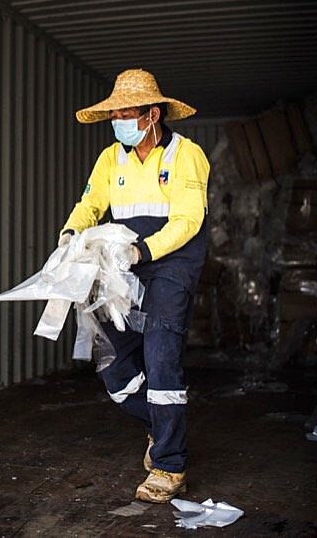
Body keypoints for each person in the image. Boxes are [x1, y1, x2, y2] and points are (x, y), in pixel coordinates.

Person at [58, 68, 209, 503]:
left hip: (171, 264)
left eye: (127, 113)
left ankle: (170, 463)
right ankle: (158, 424)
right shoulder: (111, 159)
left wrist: (143, 251)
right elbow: (89, 205)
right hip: (124, 263)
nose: (119, 121)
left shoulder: (185, 155)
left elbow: (187, 220)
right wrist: (71, 235)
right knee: (113, 359)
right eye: (115, 114)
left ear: (152, 115)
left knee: (161, 351)